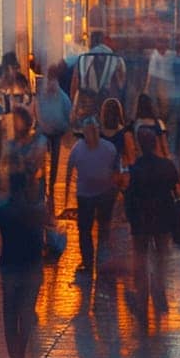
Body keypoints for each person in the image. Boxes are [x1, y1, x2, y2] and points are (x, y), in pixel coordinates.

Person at [0, 173, 45, 358]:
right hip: (32, 267)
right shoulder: (35, 210)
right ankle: (21, 353)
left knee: (9, 312)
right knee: (26, 311)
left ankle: (13, 356)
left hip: (9, 267)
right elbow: (42, 241)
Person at [124, 125, 178, 324]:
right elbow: (175, 186)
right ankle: (159, 288)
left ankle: (142, 297)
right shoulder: (167, 166)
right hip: (163, 218)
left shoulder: (135, 169)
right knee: (161, 257)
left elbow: (129, 195)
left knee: (140, 259)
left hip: (141, 221)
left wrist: (129, 216)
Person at [65, 117, 120, 280]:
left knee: (103, 228)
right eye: (89, 131)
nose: (92, 134)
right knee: (85, 230)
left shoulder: (109, 148)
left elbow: (117, 170)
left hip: (104, 194)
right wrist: (68, 194)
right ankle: (88, 263)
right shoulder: (77, 149)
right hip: (86, 195)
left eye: (94, 131)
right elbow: (69, 171)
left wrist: (116, 190)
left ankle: (101, 262)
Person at [70, 31, 126, 123]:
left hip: (88, 108)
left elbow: (74, 84)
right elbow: (121, 86)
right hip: (109, 109)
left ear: (91, 42)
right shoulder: (118, 60)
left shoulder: (82, 59)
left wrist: (74, 106)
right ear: (105, 40)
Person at [35, 66, 73, 200]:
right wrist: (42, 124)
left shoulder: (62, 97)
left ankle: (51, 186)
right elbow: (37, 109)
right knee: (41, 159)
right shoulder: (42, 95)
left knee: (55, 160)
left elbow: (69, 114)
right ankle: (42, 186)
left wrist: (67, 129)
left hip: (57, 132)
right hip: (44, 132)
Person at [5, 106, 47, 206]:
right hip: (17, 190)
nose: (13, 123)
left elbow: (37, 163)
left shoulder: (38, 141)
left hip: (33, 188)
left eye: (16, 120)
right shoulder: (12, 143)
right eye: (13, 120)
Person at [131, 92, 169, 158]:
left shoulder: (136, 124)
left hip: (143, 159)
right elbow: (164, 143)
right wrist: (168, 157)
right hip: (158, 158)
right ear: (150, 105)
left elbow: (136, 145)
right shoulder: (159, 123)